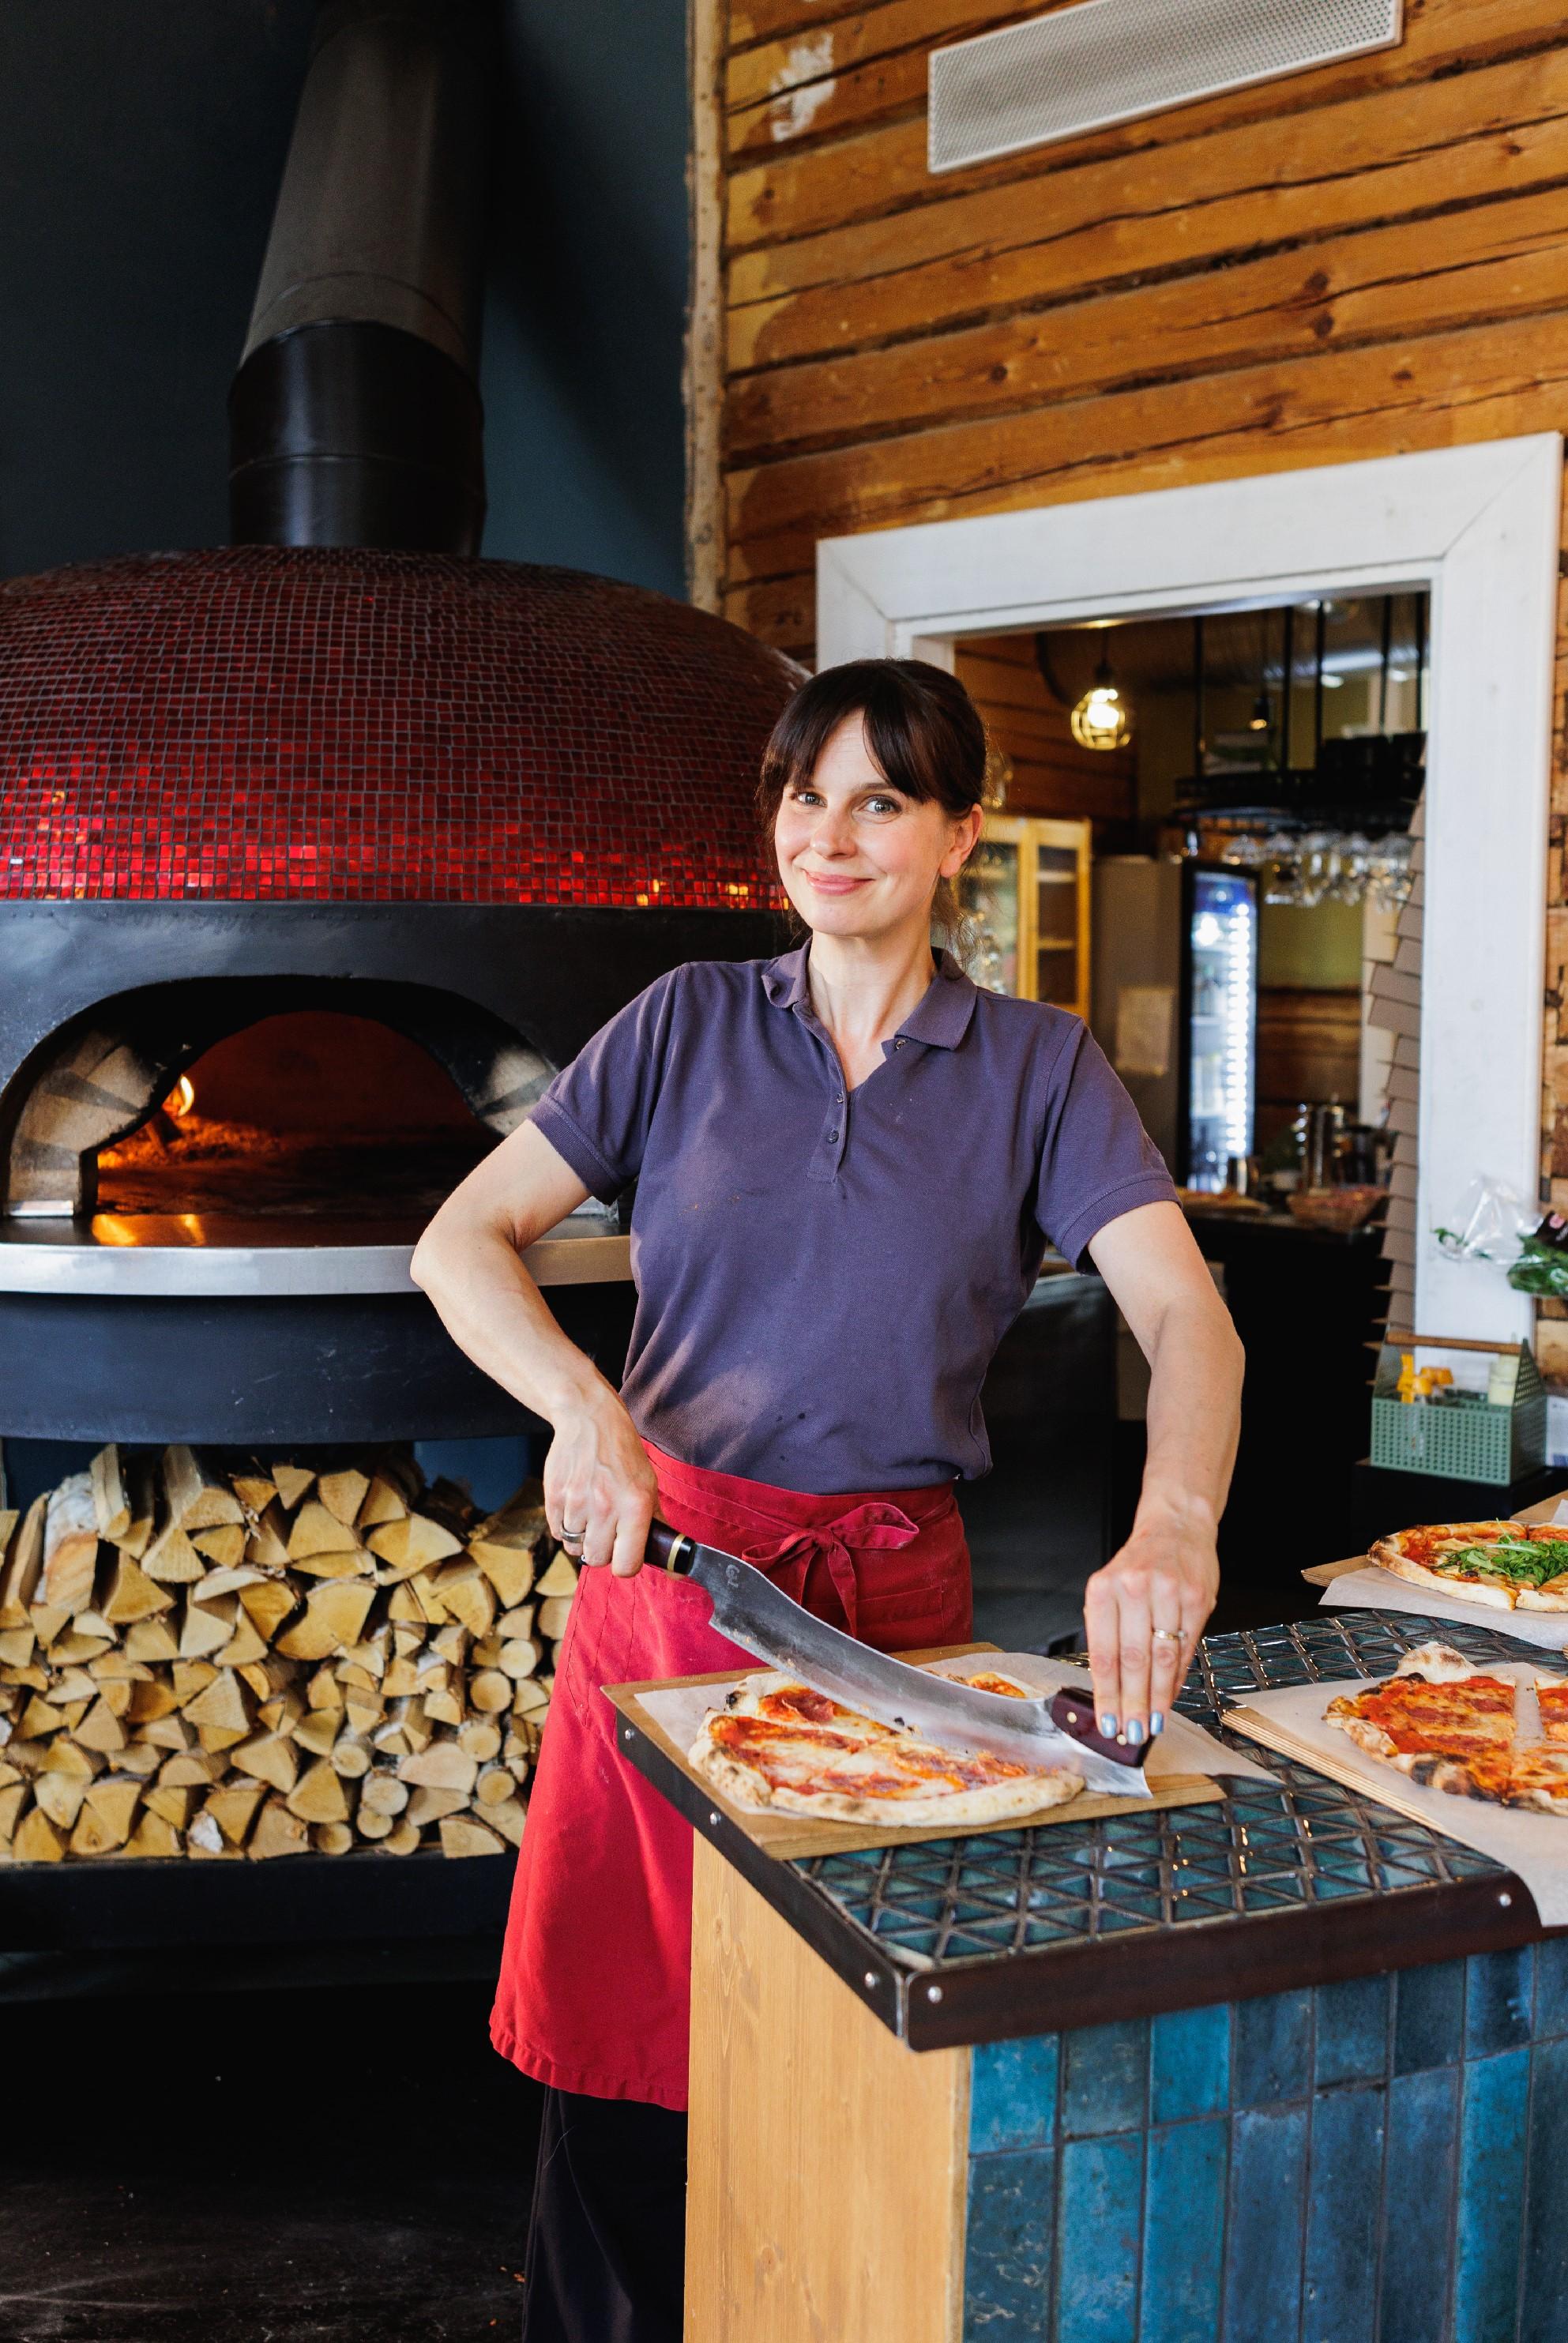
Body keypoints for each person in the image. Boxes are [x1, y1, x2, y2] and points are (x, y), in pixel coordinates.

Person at [411, 657, 1244, 2343]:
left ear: (961, 836)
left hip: (889, 1617)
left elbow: (1187, 1316)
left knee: (855, 2056)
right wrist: (583, 1402)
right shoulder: (685, 1023)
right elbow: (459, 1238)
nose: (829, 832)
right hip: (671, 1600)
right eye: (804, 793)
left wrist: (1175, 1523)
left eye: (879, 798)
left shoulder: (1038, 1065)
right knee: (635, 2078)